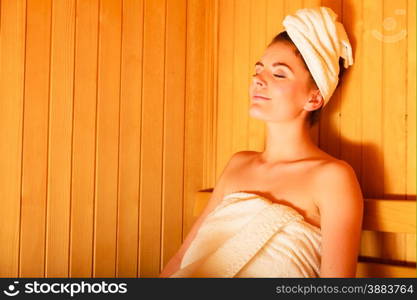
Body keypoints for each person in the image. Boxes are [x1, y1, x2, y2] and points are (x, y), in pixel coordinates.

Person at [160, 6, 363, 278]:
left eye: (279, 74)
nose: (258, 79)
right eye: (258, 70)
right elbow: (182, 259)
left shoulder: (333, 178)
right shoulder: (238, 164)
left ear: (314, 98)